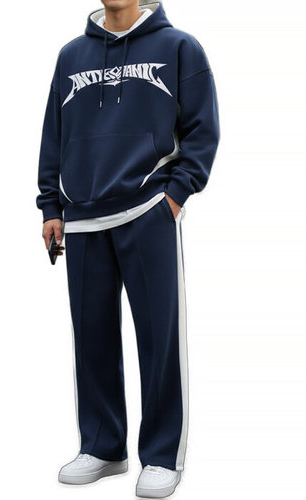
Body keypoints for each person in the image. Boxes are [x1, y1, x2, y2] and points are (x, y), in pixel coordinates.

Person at [36, 0, 220, 497]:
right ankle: (102, 447)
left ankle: (161, 455)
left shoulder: (179, 47)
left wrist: (175, 195)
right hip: (82, 216)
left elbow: (203, 130)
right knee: (91, 337)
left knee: (159, 338)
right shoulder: (70, 55)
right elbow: (54, 135)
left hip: (147, 211)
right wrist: (50, 205)